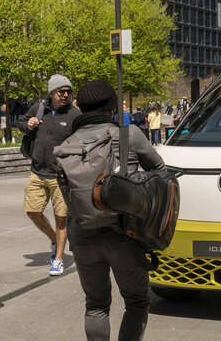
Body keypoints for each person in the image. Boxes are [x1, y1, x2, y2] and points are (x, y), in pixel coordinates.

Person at [66, 80, 165, 341]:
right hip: (125, 235)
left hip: (83, 236)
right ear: (112, 108)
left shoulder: (68, 144)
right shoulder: (129, 134)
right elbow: (161, 172)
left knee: (96, 305)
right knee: (136, 302)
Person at [16, 74, 80, 276]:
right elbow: (20, 123)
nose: (66, 95)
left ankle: (59, 258)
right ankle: (54, 239)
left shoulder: (74, 115)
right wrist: (29, 125)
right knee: (32, 212)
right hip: (37, 171)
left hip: (61, 175)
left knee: (61, 218)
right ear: (52, 92)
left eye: (68, 91)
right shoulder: (39, 108)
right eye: (62, 91)